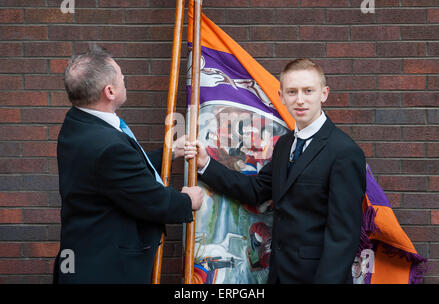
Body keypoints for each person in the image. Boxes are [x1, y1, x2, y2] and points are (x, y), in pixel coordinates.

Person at [185, 58, 366, 284]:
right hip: (279, 274)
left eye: (308, 91)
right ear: (281, 97)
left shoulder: (344, 152)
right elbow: (256, 190)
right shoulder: (284, 144)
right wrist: (206, 164)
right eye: (292, 92)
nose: (300, 100)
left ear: (324, 93)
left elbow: (343, 236)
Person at [53, 44, 203, 284]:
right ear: (110, 92)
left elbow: (118, 176)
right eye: (122, 76)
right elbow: (153, 200)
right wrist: (188, 201)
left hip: (84, 258)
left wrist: (169, 153)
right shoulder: (108, 145)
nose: (125, 79)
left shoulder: (78, 122)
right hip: (107, 271)